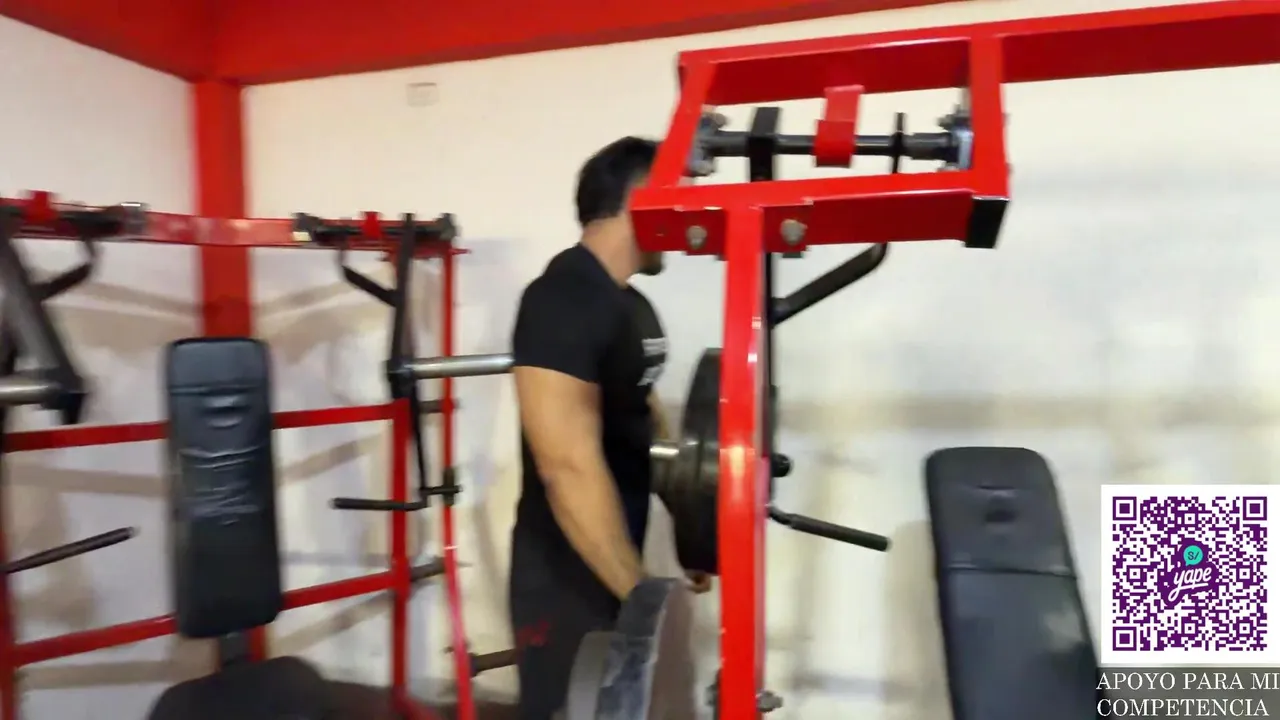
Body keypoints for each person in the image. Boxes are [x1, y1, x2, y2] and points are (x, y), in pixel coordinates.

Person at [507, 136, 711, 720]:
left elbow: (646, 418)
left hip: (616, 551)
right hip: (563, 578)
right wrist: (641, 597)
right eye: (676, 201)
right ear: (641, 200)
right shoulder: (561, 299)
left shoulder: (631, 306)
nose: (685, 221)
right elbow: (564, 465)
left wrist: (691, 524)